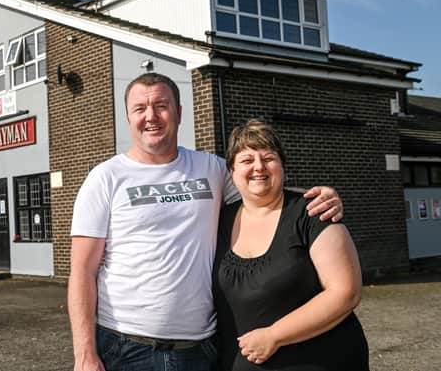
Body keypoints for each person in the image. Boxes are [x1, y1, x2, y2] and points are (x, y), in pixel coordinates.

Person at [68, 73, 343, 371]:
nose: (151, 116)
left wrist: (316, 196)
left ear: (179, 112)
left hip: (201, 348)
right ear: (128, 117)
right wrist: (84, 354)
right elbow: (83, 270)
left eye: (161, 105)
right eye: (140, 108)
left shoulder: (209, 168)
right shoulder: (105, 178)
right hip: (128, 347)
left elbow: (261, 187)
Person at [213, 119, 368, 371]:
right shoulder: (218, 221)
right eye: (246, 160)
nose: (258, 167)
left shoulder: (313, 212)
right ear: (231, 172)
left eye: (268, 158)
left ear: (282, 165)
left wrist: (274, 335)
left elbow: (345, 293)